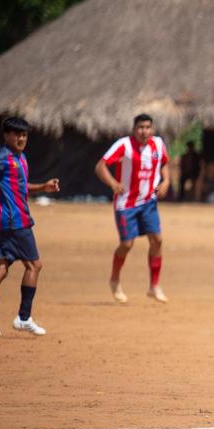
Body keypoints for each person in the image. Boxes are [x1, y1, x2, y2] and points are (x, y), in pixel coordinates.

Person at [0, 116, 60, 338]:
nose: (21, 138)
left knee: (1, 267)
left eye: (24, 134)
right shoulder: (1, 157)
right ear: (6, 135)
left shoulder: (21, 158)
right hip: (14, 222)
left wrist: (43, 187)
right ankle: (24, 318)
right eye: (16, 134)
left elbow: (21, 188)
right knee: (34, 265)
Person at [94, 113, 171, 304]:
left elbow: (164, 164)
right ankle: (114, 280)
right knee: (127, 244)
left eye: (147, 127)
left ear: (152, 129)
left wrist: (166, 181)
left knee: (157, 240)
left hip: (149, 202)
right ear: (134, 129)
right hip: (126, 204)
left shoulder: (158, 144)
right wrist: (112, 183)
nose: (144, 131)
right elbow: (100, 166)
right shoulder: (124, 145)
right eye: (140, 127)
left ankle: (154, 286)